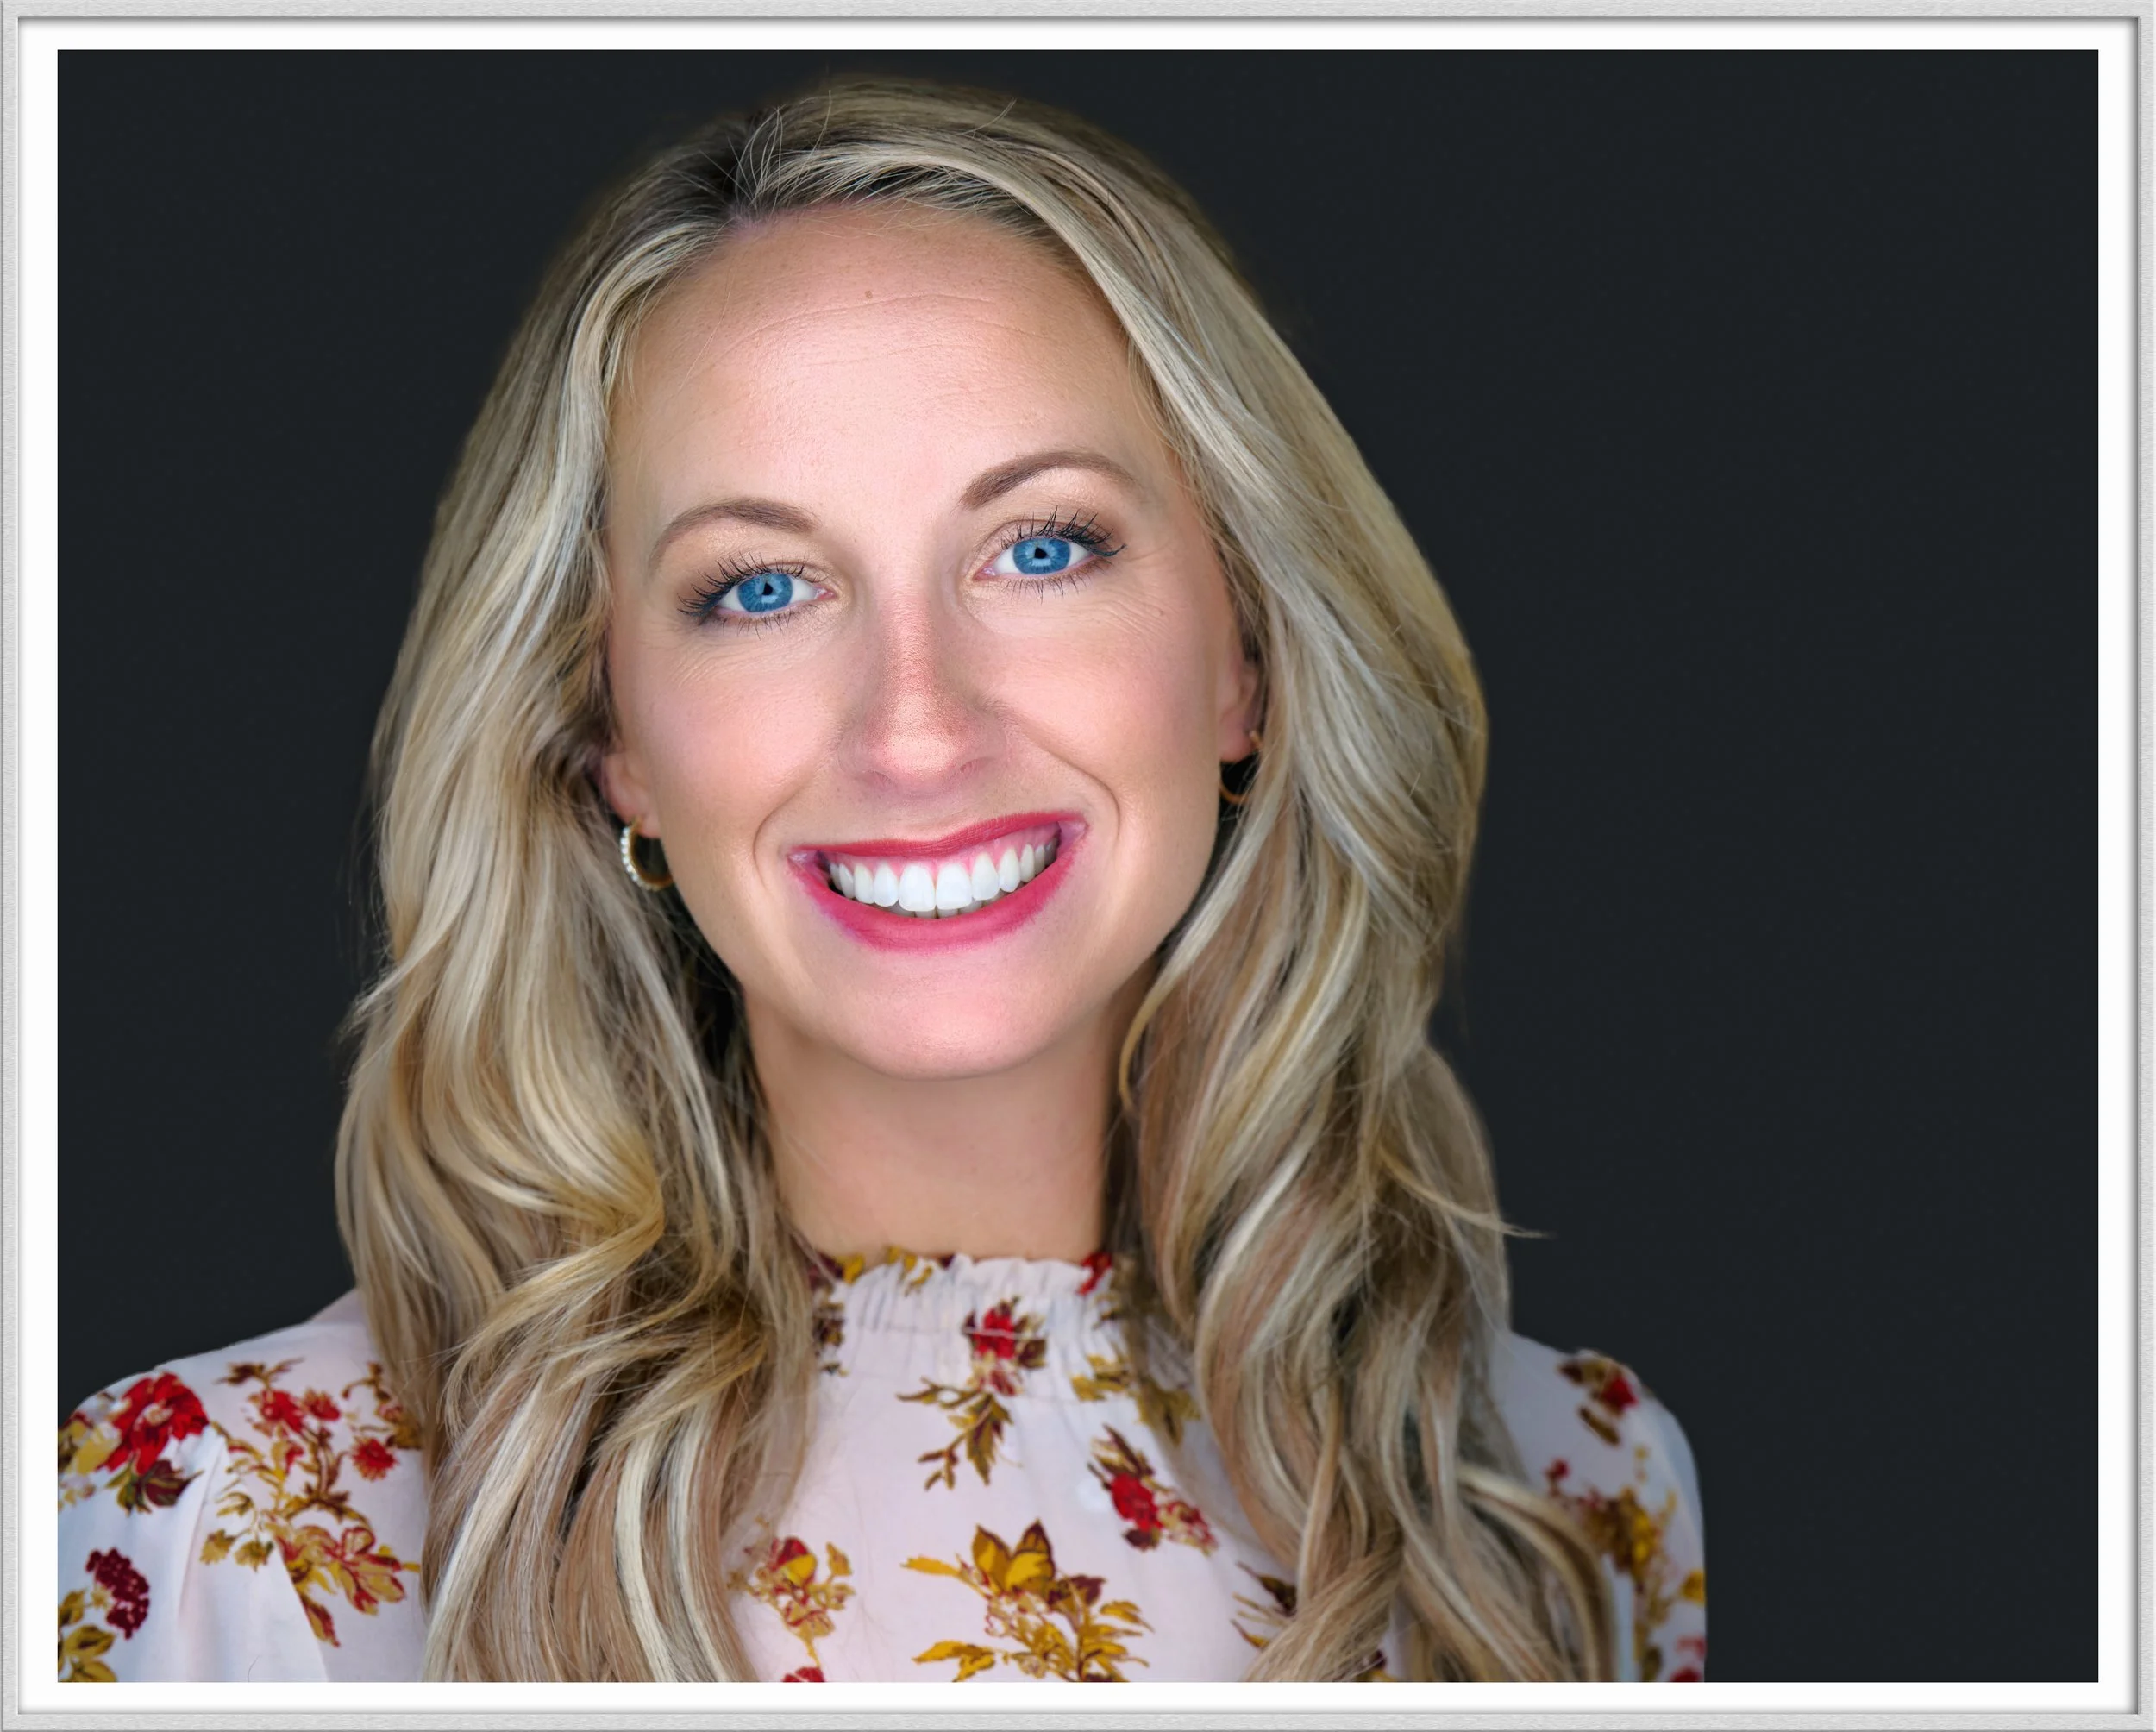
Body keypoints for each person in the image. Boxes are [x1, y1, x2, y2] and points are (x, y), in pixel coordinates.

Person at [55, 76, 1705, 1685]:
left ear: (1246, 662)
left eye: (1041, 549)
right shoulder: (230, 1526)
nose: (917, 731)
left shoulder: (1574, 1502)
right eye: (762, 588)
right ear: (613, 738)